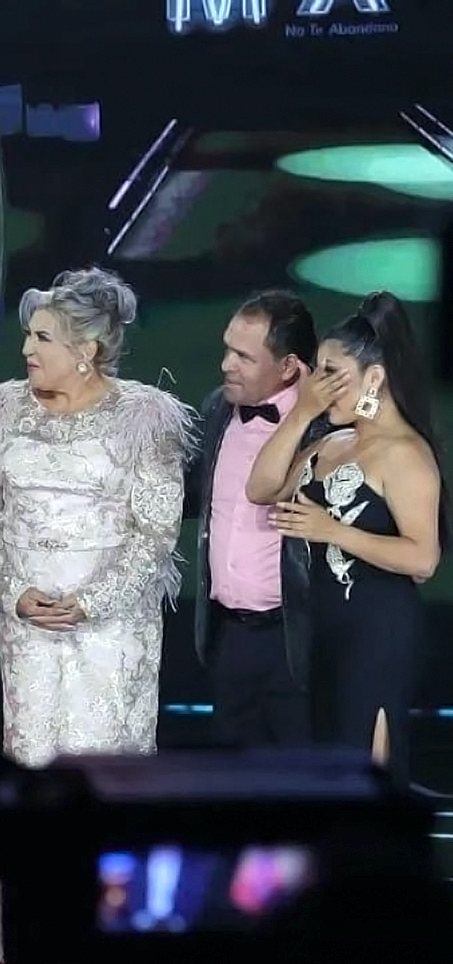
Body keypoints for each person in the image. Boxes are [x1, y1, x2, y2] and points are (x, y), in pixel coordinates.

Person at [0, 267, 194, 963]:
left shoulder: (144, 417)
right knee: (33, 766)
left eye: (42, 338)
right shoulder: (0, 412)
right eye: (29, 336)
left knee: (102, 768)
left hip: (110, 627)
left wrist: (92, 601)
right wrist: (11, 588)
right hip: (28, 626)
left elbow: (157, 536)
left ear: (86, 349)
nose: (26, 349)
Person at [248, 292, 446, 785]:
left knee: (367, 763)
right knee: (330, 762)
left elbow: (424, 558)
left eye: (333, 375)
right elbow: (262, 487)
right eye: (319, 372)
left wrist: (332, 531)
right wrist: (299, 416)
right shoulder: (332, 442)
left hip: (378, 634)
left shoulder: (404, 454)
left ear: (374, 378)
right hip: (325, 629)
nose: (321, 387)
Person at [185, 291, 320, 748]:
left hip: (295, 639)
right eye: (227, 349)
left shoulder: (326, 429)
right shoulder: (216, 411)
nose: (227, 364)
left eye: (244, 356)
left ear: (288, 367)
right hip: (229, 638)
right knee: (234, 785)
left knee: (304, 782)